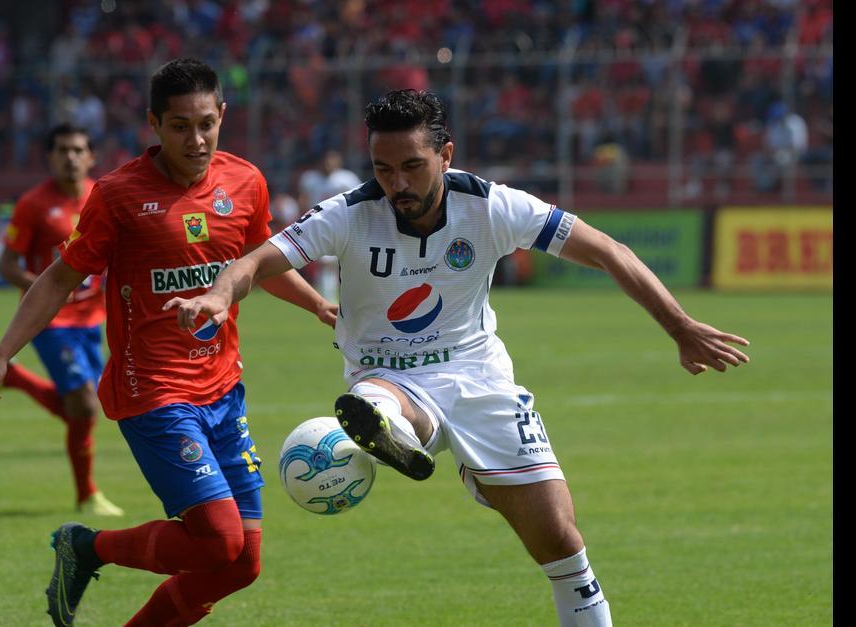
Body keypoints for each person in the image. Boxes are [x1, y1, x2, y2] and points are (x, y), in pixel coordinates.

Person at [168, 90, 751, 626]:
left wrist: (679, 326)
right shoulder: (349, 212)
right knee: (374, 399)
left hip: (479, 377)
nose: (396, 183)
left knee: (561, 542)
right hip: (386, 373)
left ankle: (398, 433)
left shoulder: (492, 206)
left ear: (445, 155)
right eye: (383, 169)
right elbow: (256, 261)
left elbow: (608, 251)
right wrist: (219, 294)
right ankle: (389, 430)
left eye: (412, 166)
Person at [0, 58, 337, 626]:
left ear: (223, 116)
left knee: (242, 563)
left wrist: (317, 305)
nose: (197, 140)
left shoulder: (245, 182)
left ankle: (91, 558)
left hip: (224, 390)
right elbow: (59, 278)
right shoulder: (118, 195)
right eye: (180, 126)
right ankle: (87, 546)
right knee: (219, 541)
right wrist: (2, 354)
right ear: (154, 124)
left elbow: (260, 263)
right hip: (154, 393)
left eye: (206, 124)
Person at [0, 123, 124, 517]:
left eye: (78, 150)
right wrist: (41, 286)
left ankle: (16, 378)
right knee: (84, 405)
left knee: (86, 405)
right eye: (63, 150)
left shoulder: (101, 196)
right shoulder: (33, 204)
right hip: (49, 320)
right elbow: (7, 264)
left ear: (91, 157)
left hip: (92, 318)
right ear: (50, 157)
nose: (71, 157)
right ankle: (87, 495)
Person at [296, 149, 362, 301]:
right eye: (326, 160)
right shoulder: (310, 179)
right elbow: (303, 200)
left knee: (341, 264)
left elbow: (359, 200)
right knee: (326, 264)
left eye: (332, 160)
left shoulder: (347, 178)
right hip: (319, 225)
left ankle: (334, 298)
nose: (328, 164)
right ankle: (328, 299)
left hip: (343, 225)